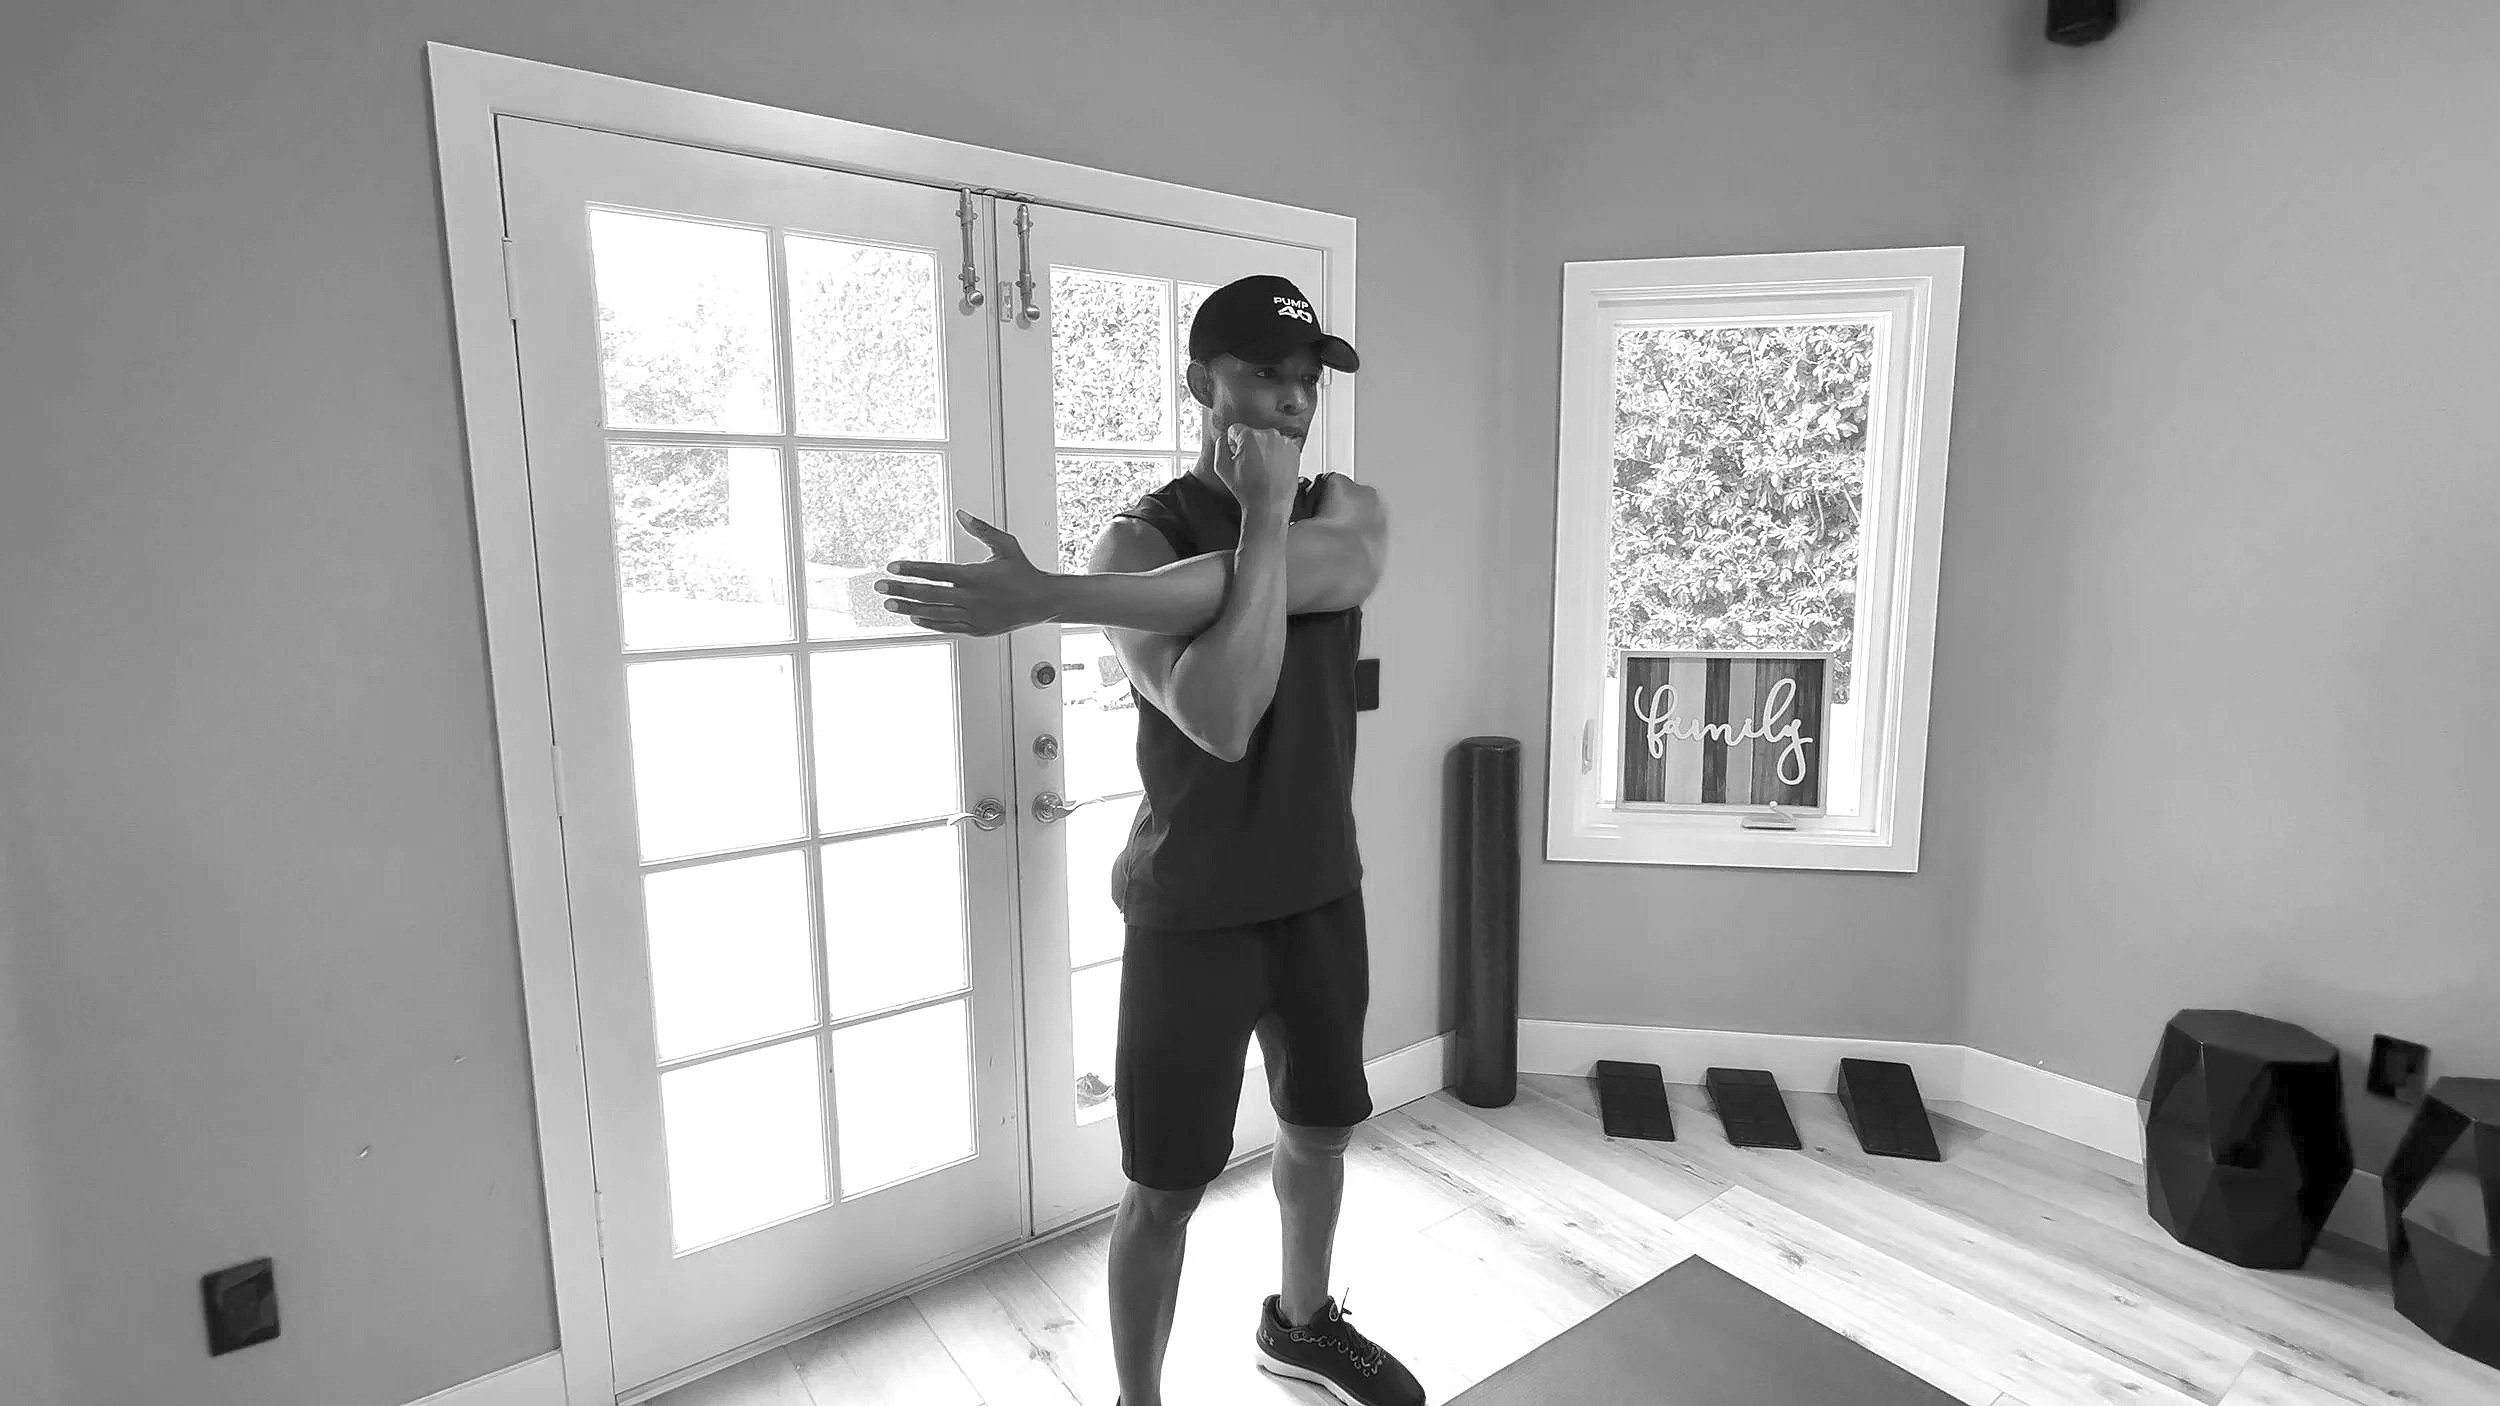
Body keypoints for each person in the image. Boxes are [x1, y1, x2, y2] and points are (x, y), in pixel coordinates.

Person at [875, 274, 1423, 1406]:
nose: (1290, 399)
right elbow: (1222, 716)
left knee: (1317, 1133)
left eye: (1305, 379)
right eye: (1263, 374)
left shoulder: (1346, 509)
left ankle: (1304, 1325)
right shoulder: (1137, 541)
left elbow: (1339, 567)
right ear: (1199, 383)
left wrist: (1054, 596)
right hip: (1192, 910)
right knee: (1164, 1186)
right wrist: (1240, 540)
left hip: (1322, 889)